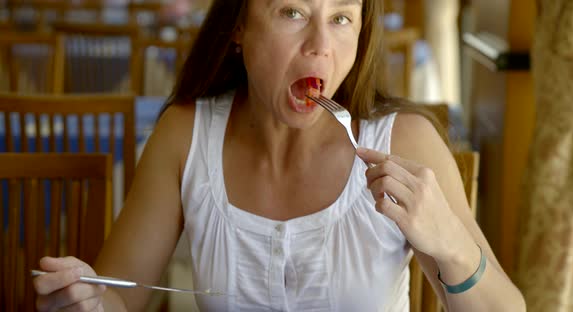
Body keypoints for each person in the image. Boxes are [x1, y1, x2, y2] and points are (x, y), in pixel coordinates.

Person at [33, 0, 526, 311]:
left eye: (340, 19)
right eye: (292, 13)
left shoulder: (407, 141)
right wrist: (86, 301)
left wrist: (453, 247)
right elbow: (120, 295)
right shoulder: (184, 136)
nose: (320, 48)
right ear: (238, 26)